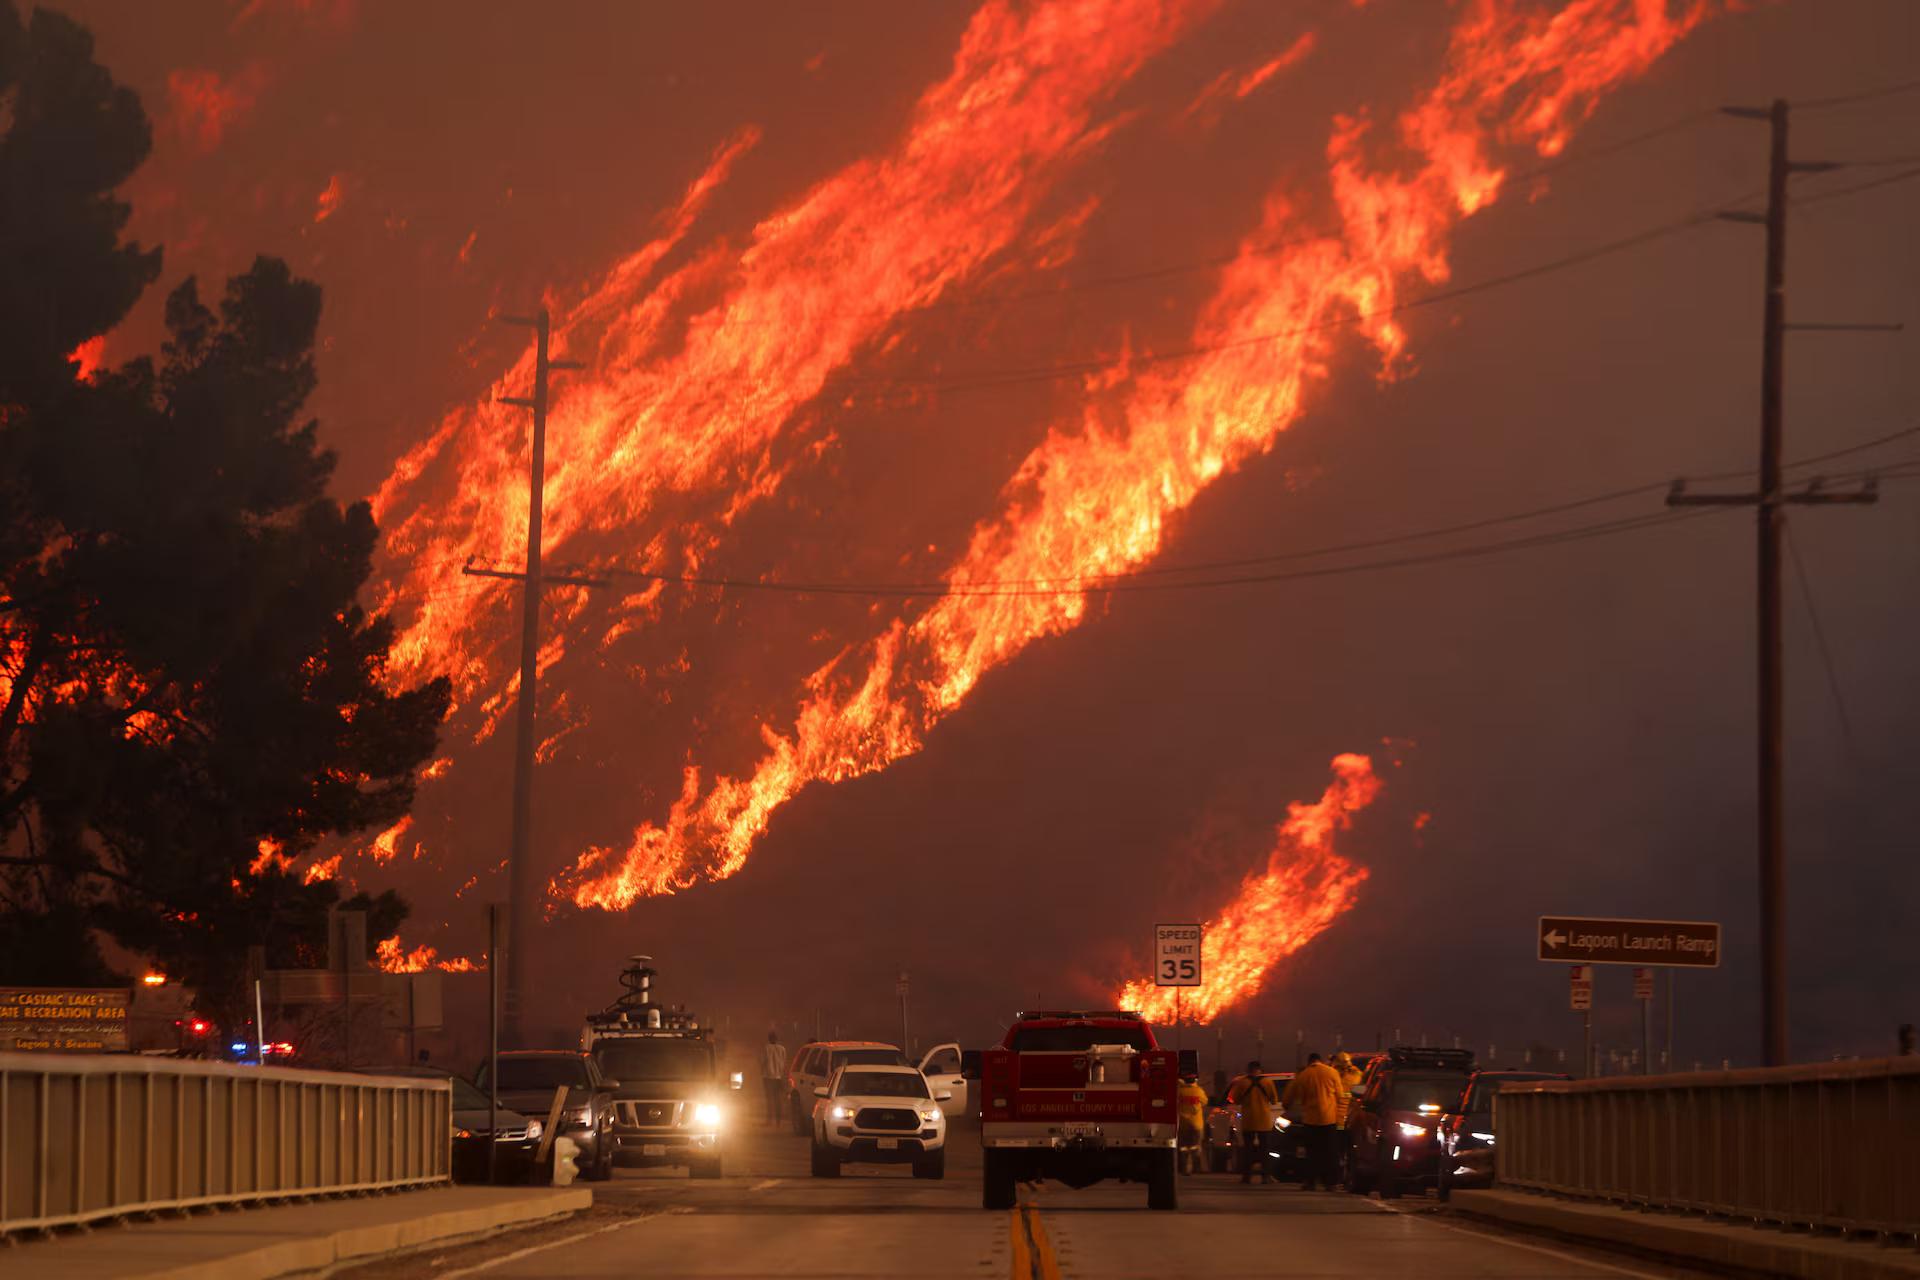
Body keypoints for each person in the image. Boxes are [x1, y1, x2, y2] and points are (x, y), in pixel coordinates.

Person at [1281, 1051, 1344, 1191]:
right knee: (1330, 1152)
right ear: (1320, 1060)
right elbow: (1340, 1096)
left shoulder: (1303, 1075)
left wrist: (1288, 1105)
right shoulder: (1332, 1072)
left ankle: (1310, 1182)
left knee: (1311, 1153)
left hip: (1310, 1120)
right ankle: (1331, 1183)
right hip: (1329, 1119)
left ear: (1309, 1062)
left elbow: (1289, 1097)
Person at [1226, 1060, 1280, 1184]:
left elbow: (1235, 1100)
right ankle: (1265, 1176)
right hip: (1264, 1121)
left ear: (1248, 1070)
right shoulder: (1268, 1082)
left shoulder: (1242, 1083)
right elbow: (1274, 1100)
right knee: (1264, 1150)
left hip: (1249, 1120)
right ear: (1260, 1070)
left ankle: (1247, 1176)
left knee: (1248, 1150)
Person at [1331, 1050, 1364, 1185]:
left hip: (1351, 1118)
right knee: (1337, 1150)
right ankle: (1337, 1177)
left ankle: (1346, 1177)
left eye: (1345, 1066)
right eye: (1341, 1066)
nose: (1343, 1068)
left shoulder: (1357, 1075)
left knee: (1349, 1150)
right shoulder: (1332, 1074)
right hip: (1336, 1118)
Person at [1177, 1072, 1209, 1175]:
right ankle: (1196, 1168)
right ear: (1195, 1080)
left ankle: (1184, 1168)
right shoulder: (1198, 1091)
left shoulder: (1179, 1091)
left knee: (1183, 1147)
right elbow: (1205, 1102)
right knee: (1195, 1146)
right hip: (1196, 1123)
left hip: (1182, 1123)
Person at [761, 1030, 789, 1126]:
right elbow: (784, 1062)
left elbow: (763, 1061)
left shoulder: (766, 1048)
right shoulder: (782, 1049)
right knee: (777, 1100)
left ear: (769, 1039)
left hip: (768, 1077)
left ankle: (769, 1120)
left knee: (769, 1099)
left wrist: (761, 1070)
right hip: (778, 1077)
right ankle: (778, 1121)